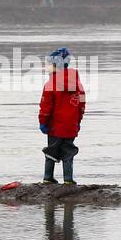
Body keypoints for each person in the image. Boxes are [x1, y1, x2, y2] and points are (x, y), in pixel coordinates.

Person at [38, 47, 85, 185]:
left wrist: (43, 122)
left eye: (49, 64)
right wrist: (78, 121)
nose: (47, 67)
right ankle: (68, 180)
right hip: (71, 125)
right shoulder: (78, 84)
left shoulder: (50, 84)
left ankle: (47, 178)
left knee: (51, 151)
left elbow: (45, 107)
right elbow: (81, 106)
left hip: (54, 126)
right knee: (68, 152)